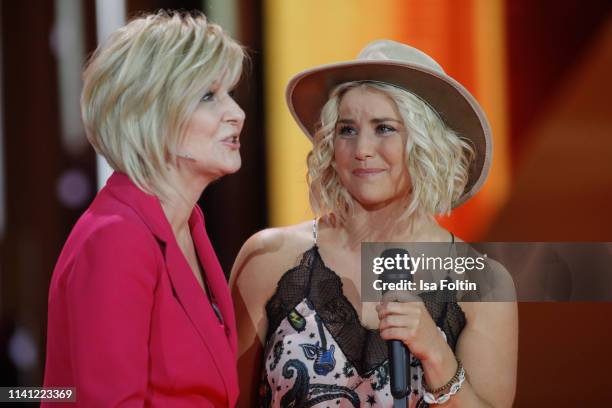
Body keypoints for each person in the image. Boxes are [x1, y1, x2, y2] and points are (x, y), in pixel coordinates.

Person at [231, 40, 517, 407]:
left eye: (384, 128)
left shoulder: (483, 283)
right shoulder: (269, 259)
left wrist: (438, 357)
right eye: (347, 130)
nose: (362, 149)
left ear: (426, 145)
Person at [43, 11, 245, 407]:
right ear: (151, 113)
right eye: (209, 96)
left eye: (230, 93)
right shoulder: (116, 237)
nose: (236, 113)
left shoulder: (188, 225)